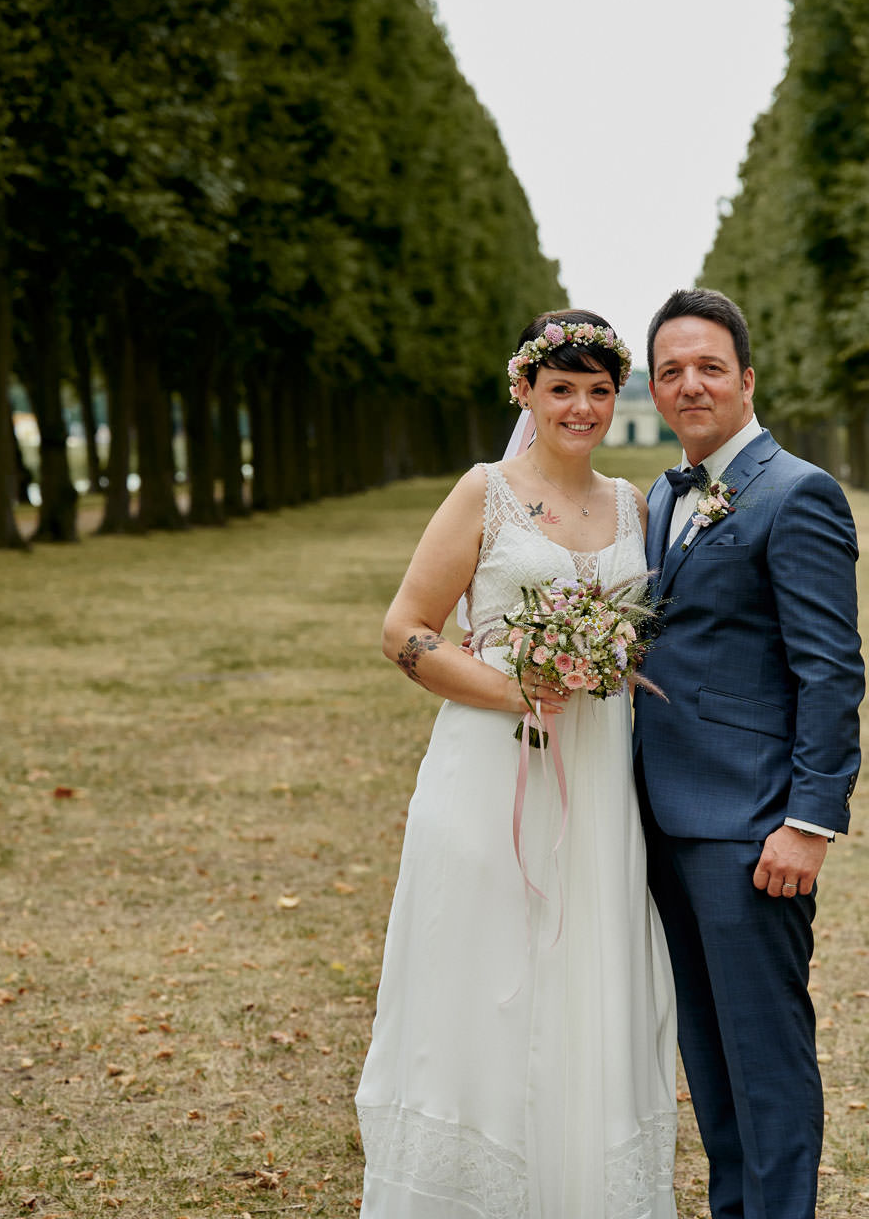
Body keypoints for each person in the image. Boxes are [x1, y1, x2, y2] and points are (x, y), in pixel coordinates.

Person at [356, 310, 678, 1218]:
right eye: (562, 387)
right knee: (485, 971)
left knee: (589, 966)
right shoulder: (484, 491)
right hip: (494, 762)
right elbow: (405, 631)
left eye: (598, 390)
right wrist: (515, 689)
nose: (580, 407)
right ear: (525, 391)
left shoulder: (634, 505)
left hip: (601, 771)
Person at [633, 289, 865, 1219]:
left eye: (709, 367)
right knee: (710, 1054)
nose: (690, 385)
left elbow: (832, 670)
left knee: (765, 1060)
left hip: (752, 829)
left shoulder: (798, 492)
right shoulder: (661, 493)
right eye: (671, 371)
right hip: (660, 820)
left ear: (746, 380)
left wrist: (808, 822)